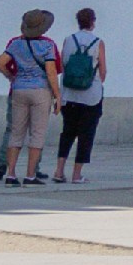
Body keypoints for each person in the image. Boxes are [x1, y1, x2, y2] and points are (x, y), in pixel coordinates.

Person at [0, 10, 62, 183]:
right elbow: (51, 72)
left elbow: (0, 63)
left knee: (16, 132)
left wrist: (12, 77)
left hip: (19, 89)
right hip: (40, 90)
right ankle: (30, 175)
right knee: (37, 133)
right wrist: (57, 95)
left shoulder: (16, 44)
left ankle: (11, 174)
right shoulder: (47, 45)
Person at [55, 11, 107, 179]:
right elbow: (103, 71)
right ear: (93, 22)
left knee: (67, 132)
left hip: (69, 94)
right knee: (86, 134)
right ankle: (77, 174)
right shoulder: (98, 42)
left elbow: (62, 65)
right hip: (91, 96)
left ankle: (59, 171)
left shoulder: (68, 40)